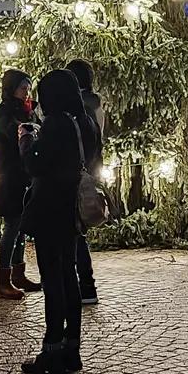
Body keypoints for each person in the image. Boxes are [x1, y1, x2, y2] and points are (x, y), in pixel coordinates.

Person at [19, 68, 101, 374]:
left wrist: (26, 140)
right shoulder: (86, 122)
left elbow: (34, 165)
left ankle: (51, 350)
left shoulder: (55, 124)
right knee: (69, 274)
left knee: (53, 279)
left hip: (51, 207)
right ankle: (72, 348)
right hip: (72, 209)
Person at [0, 68, 41, 299]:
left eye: (28, 88)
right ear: (12, 88)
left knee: (20, 227)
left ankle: (18, 274)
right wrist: (28, 129)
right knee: (12, 226)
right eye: (23, 87)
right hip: (9, 176)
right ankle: (3, 280)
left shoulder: (27, 110)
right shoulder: (3, 112)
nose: (26, 92)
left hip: (24, 176)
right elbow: (14, 133)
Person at [65, 58, 103, 305]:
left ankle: (84, 286)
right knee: (78, 233)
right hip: (91, 170)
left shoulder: (77, 109)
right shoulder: (96, 104)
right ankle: (85, 285)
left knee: (74, 233)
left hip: (76, 175)